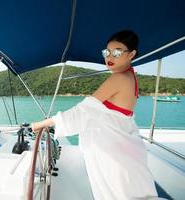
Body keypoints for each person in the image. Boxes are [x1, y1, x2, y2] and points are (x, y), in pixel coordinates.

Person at [31, 30, 160, 199]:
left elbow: (82, 111)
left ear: (132, 54)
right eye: (107, 52)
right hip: (123, 148)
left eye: (117, 52)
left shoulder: (119, 78)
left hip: (113, 151)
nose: (109, 57)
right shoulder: (131, 77)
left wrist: (39, 124)